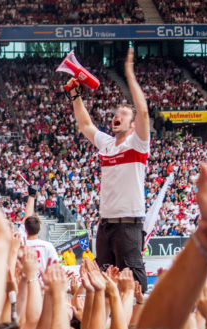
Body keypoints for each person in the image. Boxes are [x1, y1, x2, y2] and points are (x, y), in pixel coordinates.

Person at [68, 49, 150, 291]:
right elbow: (84, 124)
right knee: (102, 281)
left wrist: (130, 76)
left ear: (132, 125)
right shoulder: (105, 143)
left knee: (132, 281)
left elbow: (143, 112)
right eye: (115, 114)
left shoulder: (137, 143)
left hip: (128, 223)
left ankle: (136, 324)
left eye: (123, 114)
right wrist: (75, 96)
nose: (116, 116)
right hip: (105, 224)